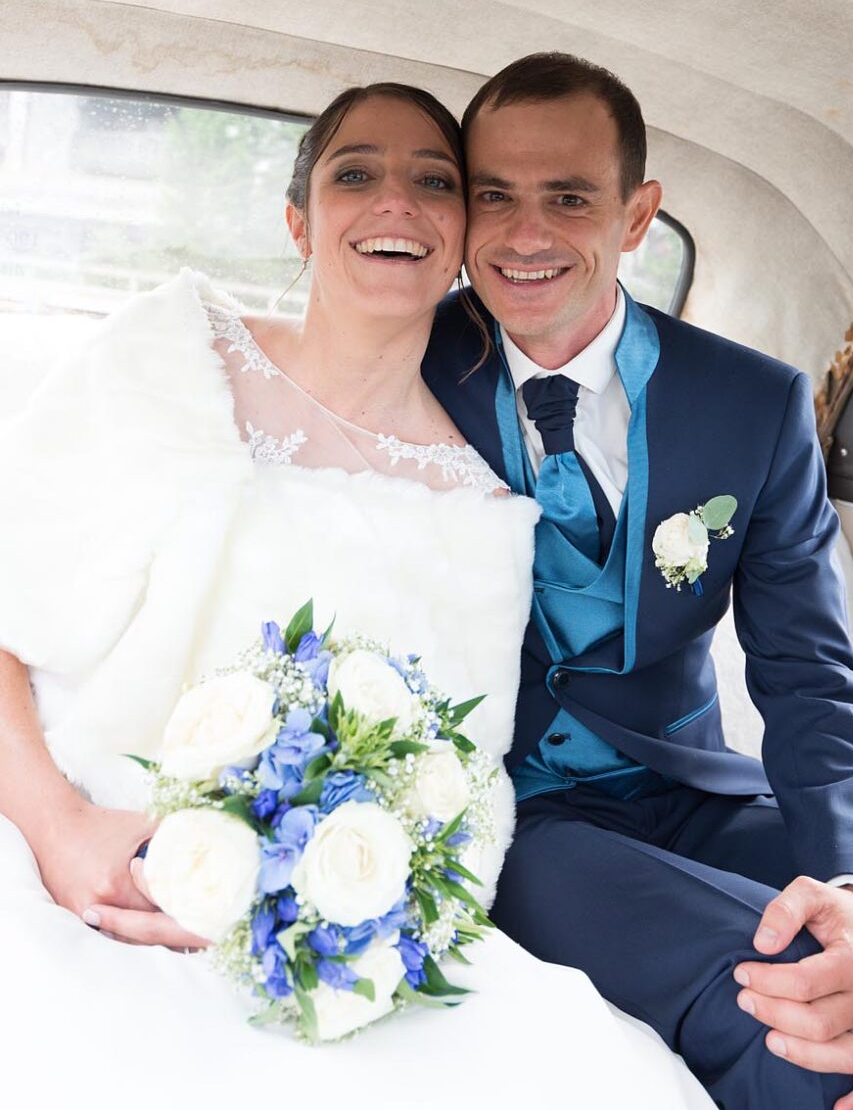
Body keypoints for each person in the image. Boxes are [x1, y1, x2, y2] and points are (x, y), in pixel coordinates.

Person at [0, 84, 710, 1110]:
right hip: (44, 826)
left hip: (296, 909)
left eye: (432, 181)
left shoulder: (483, 511)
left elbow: (456, 792)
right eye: (354, 173)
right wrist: (62, 831)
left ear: (463, 234)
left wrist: (337, 912)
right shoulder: (162, 358)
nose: (396, 202)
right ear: (298, 219)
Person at [422, 52, 853, 1110]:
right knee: (777, 1011)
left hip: (690, 785)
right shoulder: (404, 361)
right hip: (514, 817)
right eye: (494, 196)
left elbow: (812, 676)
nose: (524, 235)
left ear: (636, 215)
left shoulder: (750, 404)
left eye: (567, 197)